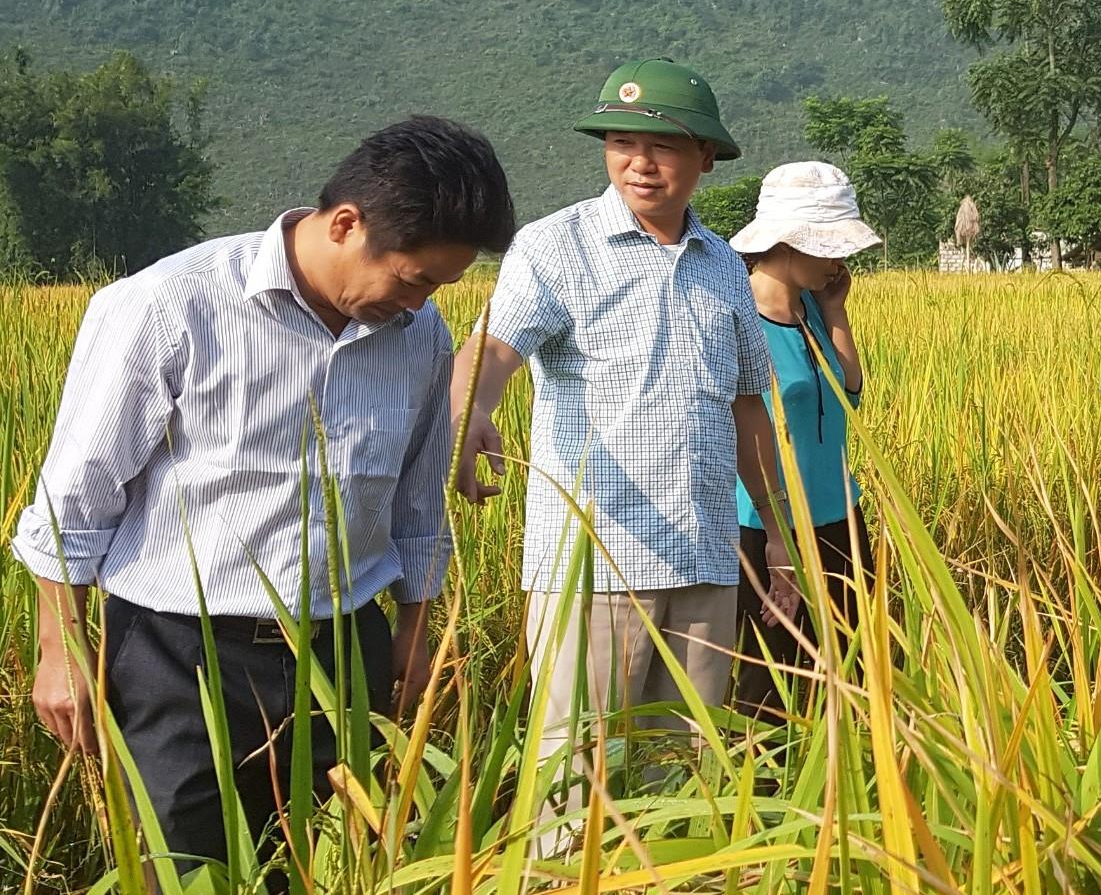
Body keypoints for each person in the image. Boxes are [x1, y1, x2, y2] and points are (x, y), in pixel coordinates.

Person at [13, 116, 516, 875]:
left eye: (438, 288)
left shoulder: (418, 335)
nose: (419, 304)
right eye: (413, 280)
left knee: (325, 865)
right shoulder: (169, 306)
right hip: (179, 655)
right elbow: (74, 497)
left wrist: (415, 629)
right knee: (181, 871)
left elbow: (417, 501)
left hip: (343, 650)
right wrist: (61, 648)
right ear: (346, 224)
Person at [451, 59, 801, 812]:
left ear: (706, 157)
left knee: (686, 782)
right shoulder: (556, 248)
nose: (639, 163)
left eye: (665, 146)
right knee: (575, 789)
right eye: (620, 142)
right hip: (592, 568)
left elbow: (747, 410)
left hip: (706, 562)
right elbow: (494, 351)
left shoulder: (724, 270)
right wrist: (473, 409)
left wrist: (775, 531)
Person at [726, 162, 879, 717]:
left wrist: (836, 313)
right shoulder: (736, 317)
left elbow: (850, 395)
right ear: (787, 242)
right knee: (771, 678)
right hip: (765, 527)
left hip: (839, 512)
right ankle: (764, 795)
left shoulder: (815, 306)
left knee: (852, 667)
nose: (839, 261)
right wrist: (776, 535)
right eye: (830, 246)